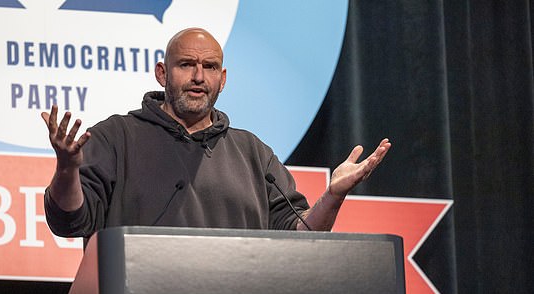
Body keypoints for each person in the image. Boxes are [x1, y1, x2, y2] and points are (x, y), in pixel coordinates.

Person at [42, 28, 390, 238]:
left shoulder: (252, 153)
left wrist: (333, 196)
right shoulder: (116, 137)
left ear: (222, 79)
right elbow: (70, 221)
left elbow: (299, 238)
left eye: (209, 67)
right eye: (186, 65)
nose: (198, 76)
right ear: (162, 73)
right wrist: (67, 168)